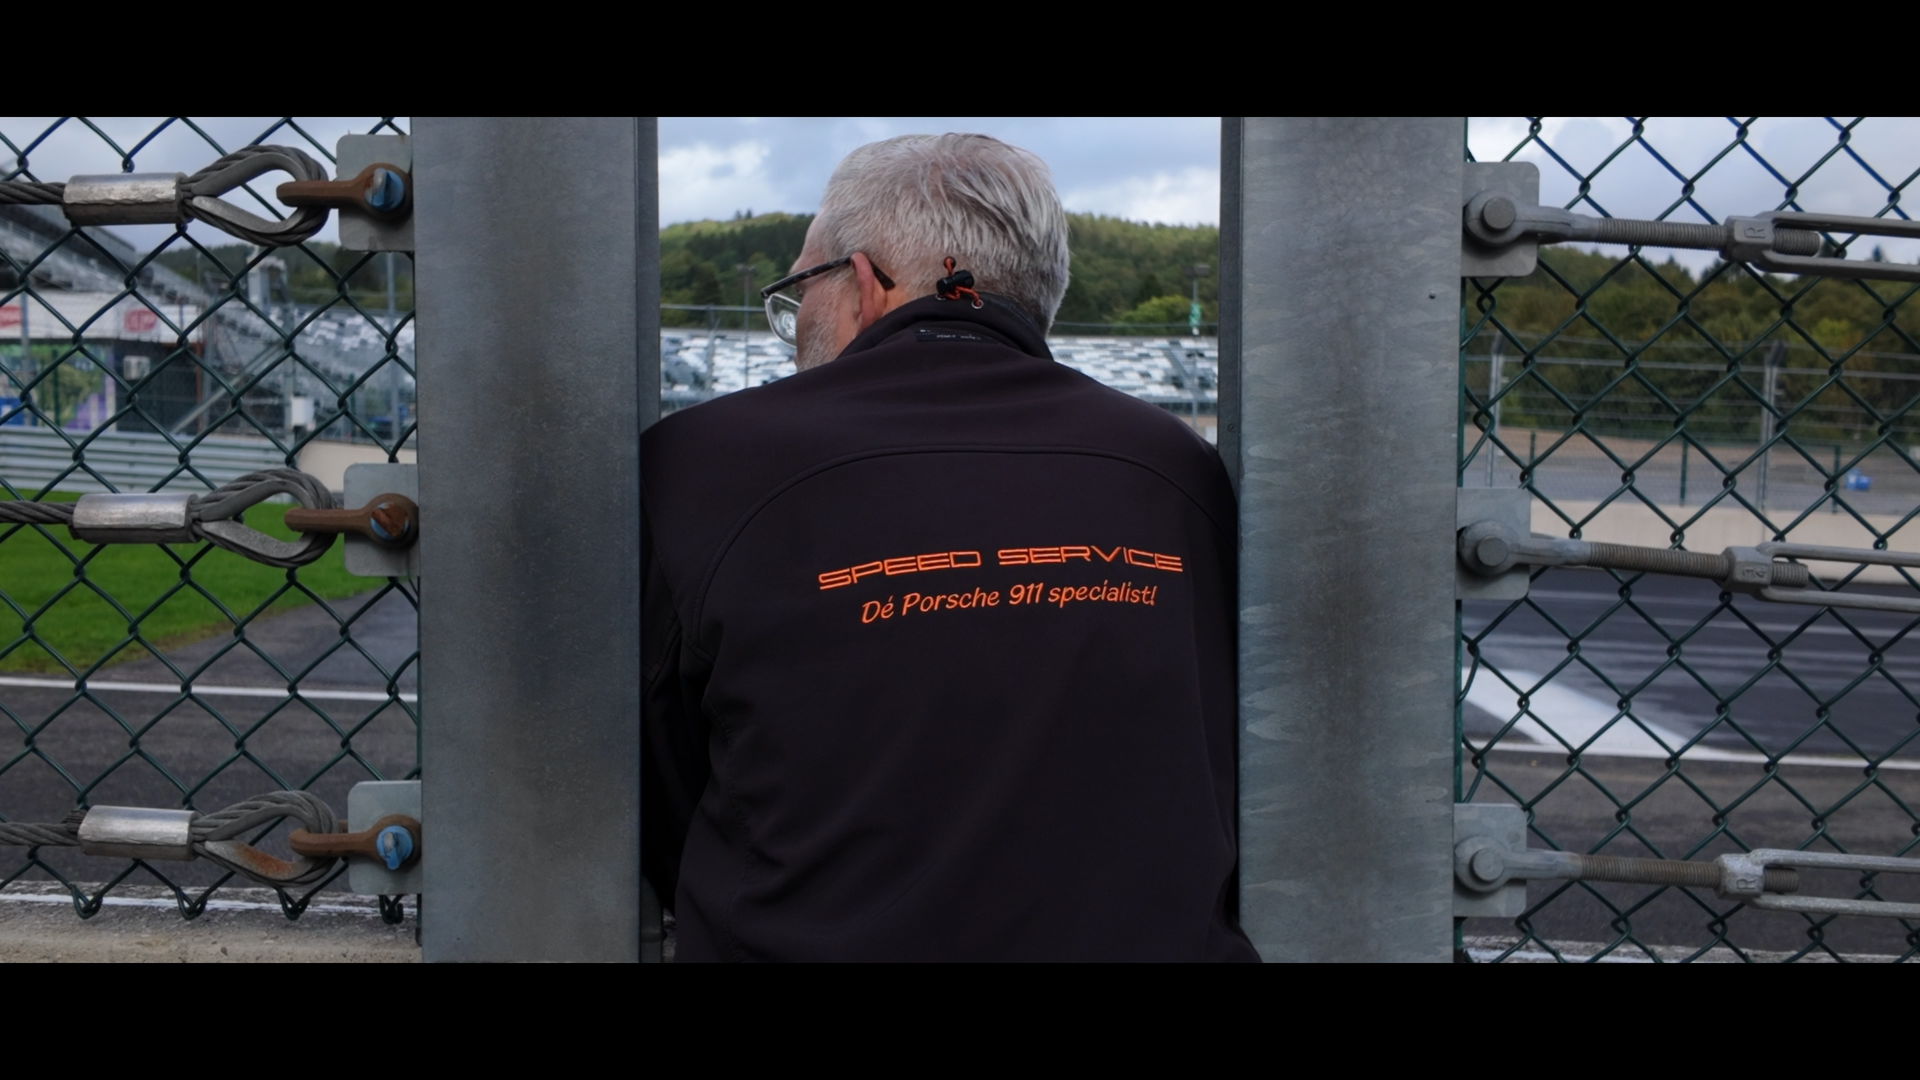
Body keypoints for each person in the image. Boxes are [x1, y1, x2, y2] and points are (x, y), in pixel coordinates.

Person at [642, 134, 1255, 962]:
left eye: (799, 291)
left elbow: (652, 782)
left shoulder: (706, 461)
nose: (795, 329)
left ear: (861, 283)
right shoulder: (1174, 466)